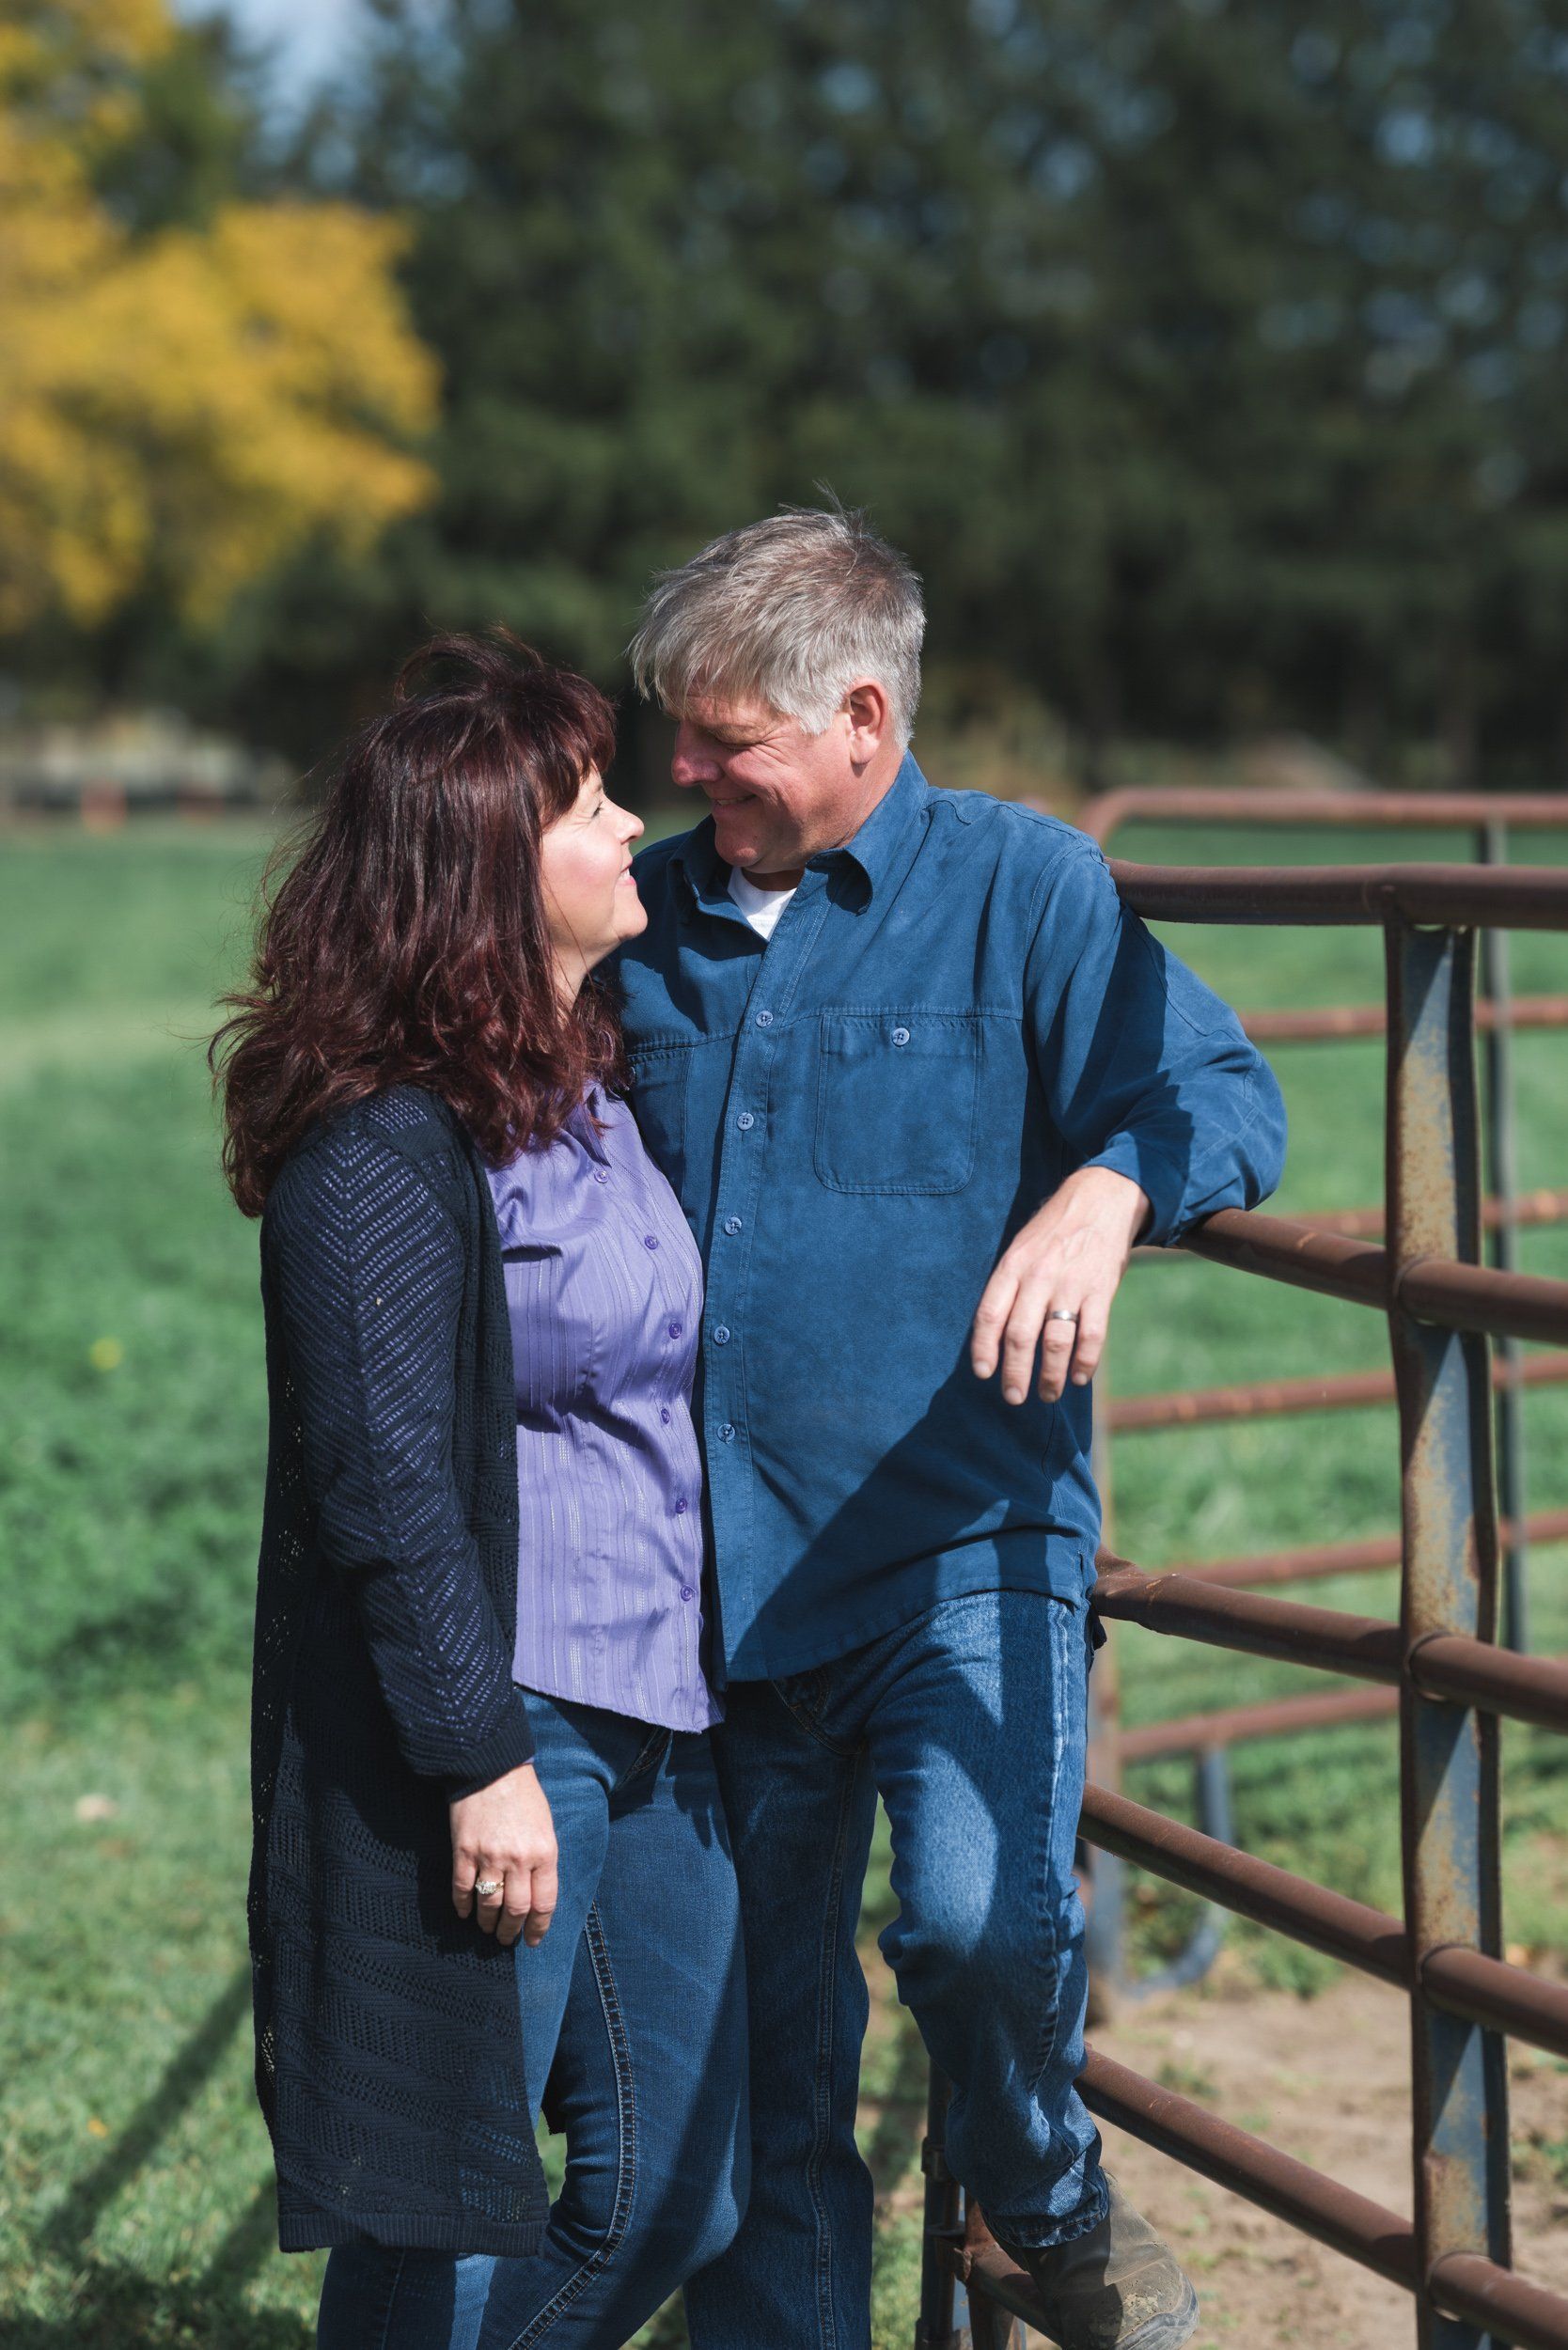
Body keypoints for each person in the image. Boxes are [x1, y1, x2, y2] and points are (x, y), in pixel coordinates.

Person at [615, 509, 1287, 2350]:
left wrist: (1110, 1189)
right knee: (765, 2067)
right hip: (706, 1571)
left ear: (859, 715)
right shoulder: (642, 916)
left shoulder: (1027, 888)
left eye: (723, 735)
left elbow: (1221, 1089)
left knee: (985, 1921)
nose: (682, 767)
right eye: (677, 728)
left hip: (956, 1542)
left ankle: (1042, 2189)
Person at [212, 635, 747, 2350]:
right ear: (484, 876)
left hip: (657, 1703)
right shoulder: (378, 1143)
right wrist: (481, 1759)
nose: (631, 824)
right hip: (510, 1720)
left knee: (677, 2182)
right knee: (438, 2200)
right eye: (590, 807)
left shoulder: (585, 1086)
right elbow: (378, 1489)